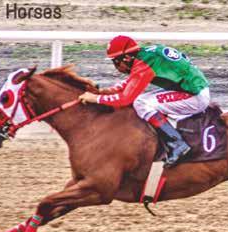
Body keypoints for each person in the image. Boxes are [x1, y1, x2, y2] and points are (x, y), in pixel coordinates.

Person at [77, 35, 211, 166]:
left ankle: (177, 143)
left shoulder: (143, 64)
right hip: (189, 89)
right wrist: (104, 92)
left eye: (116, 62)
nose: (116, 67)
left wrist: (96, 99)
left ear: (126, 57)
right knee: (143, 100)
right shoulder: (144, 56)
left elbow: (125, 99)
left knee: (141, 102)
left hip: (195, 96)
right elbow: (130, 83)